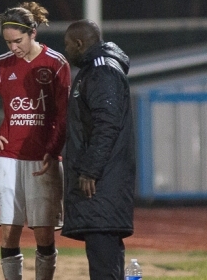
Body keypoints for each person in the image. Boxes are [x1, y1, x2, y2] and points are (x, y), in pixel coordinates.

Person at [0, 2, 71, 279]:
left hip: (42, 160)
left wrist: (53, 150)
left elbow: (63, 114)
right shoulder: (1, 65)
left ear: (33, 33)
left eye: (17, 41)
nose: (13, 47)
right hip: (7, 159)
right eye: (8, 42)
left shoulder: (56, 64)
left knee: (44, 232)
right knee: (9, 231)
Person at [61, 19, 136, 280]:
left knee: (104, 259)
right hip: (105, 185)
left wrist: (89, 171)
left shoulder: (101, 72)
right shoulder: (95, 70)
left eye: (68, 45)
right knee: (105, 257)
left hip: (103, 185)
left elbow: (107, 125)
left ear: (79, 43)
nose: (66, 51)